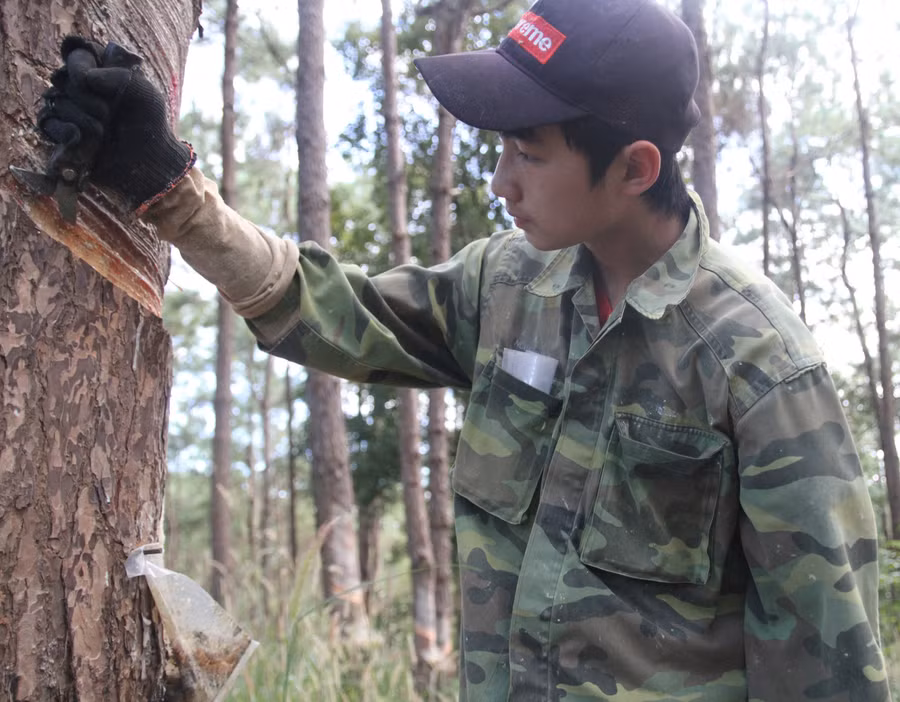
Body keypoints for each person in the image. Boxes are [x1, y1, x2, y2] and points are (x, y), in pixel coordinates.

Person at [35, 0, 891, 699]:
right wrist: (169, 188)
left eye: (528, 152)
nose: (500, 181)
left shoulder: (759, 365)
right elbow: (340, 310)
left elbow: (828, 672)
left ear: (634, 169)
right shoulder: (509, 286)